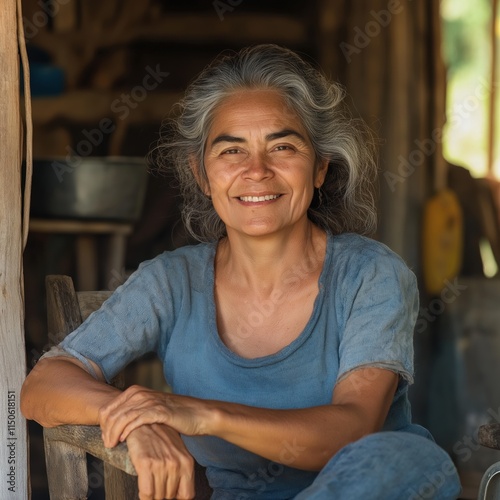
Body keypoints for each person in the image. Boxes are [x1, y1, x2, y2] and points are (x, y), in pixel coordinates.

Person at [21, 44, 461, 500]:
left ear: (319, 168)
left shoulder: (370, 275)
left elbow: (352, 428)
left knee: (402, 458)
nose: (257, 171)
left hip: (381, 486)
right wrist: (137, 418)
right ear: (202, 174)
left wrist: (199, 414)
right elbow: (43, 385)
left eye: (283, 146)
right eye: (232, 151)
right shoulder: (173, 283)